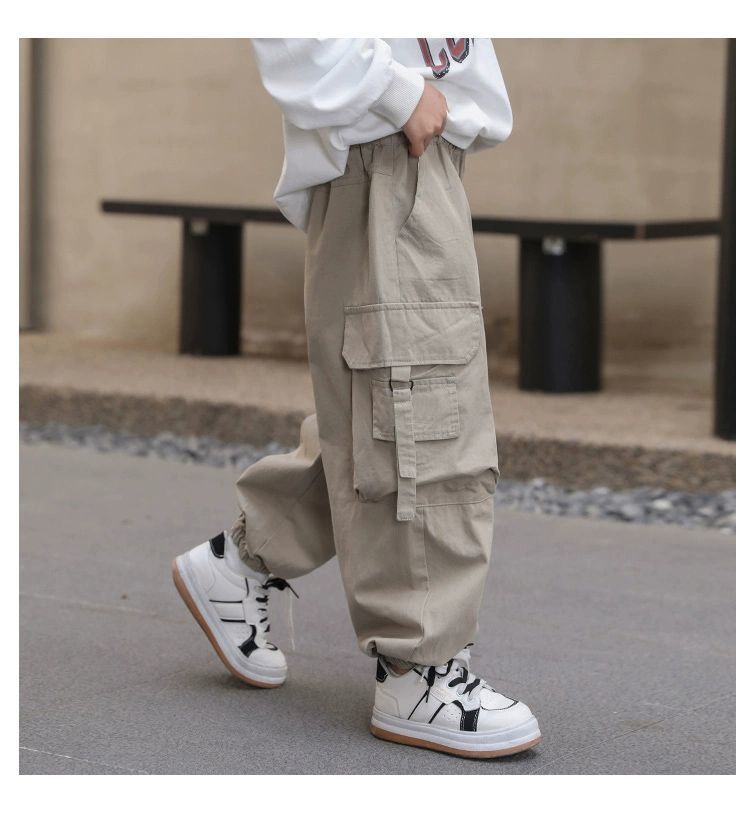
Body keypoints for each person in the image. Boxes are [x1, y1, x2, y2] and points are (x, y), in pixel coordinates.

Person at [172, 38, 541, 759]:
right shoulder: (391, 114)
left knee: (385, 408)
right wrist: (400, 94)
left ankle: (242, 561)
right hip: (385, 149)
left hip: (416, 150)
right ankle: (418, 670)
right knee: (416, 414)